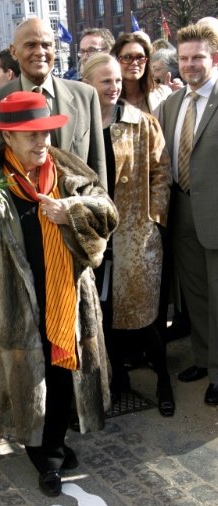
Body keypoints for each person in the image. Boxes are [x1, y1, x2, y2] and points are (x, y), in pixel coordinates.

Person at [0, 91, 118, 496]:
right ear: (7, 138)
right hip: (16, 298)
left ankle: (52, 443)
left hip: (65, 294)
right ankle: (46, 457)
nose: (42, 144)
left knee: (59, 370)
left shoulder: (67, 170)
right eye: (31, 136)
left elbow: (108, 212)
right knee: (29, 374)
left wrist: (70, 212)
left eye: (47, 135)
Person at [82, 54, 173, 416]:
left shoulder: (141, 122)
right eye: (105, 81)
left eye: (117, 80)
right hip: (95, 239)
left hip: (138, 237)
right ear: (88, 83)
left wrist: (154, 218)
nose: (114, 87)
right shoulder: (81, 127)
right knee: (105, 315)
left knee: (146, 318)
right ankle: (117, 379)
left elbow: (161, 171)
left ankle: (163, 377)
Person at [0, 17, 107, 190]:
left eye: (46, 45)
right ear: (14, 52)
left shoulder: (85, 96)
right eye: (31, 45)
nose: (40, 52)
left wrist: (99, 212)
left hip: (76, 211)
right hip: (19, 214)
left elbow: (98, 167)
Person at [162, 24, 218, 405]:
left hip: (215, 213)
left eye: (197, 57)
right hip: (181, 210)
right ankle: (203, 358)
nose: (190, 65)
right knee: (195, 295)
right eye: (183, 58)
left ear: (213, 58)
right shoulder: (170, 103)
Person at [111, 32, 171, 120]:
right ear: (116, 60)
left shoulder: (164, 95)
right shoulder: (107, 96)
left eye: (140, 57)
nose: (134, 63)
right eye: (127, 57)